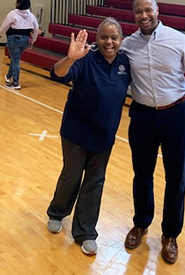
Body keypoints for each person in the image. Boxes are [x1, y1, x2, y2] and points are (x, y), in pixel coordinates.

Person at [121, 0, 185, 264]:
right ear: (134, 15)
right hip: (142, 117)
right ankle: (141, 224)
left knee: (176, 179)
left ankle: (170, 235)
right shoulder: (127, 45)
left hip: (175, 115)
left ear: (157, 10)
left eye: (148, 9)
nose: (143, 15)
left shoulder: (178, 40)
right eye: (138, 11)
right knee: (142, 175)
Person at [46, 18, 130, 256]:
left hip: (105, 133)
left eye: (114, 37)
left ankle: (85, 231)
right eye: (104, 37)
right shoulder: (85, 58)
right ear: (96, 38)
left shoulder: (125, 62)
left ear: (121, 40)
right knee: (71, 175)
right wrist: (71, 57)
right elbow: (57, 74)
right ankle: (57, 212)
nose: (109, 42)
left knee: (95, 181)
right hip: (77, 130)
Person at [0, 0, 39, 90]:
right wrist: (33, 41)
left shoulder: (13, 13)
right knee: (15, 58)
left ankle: (15, 82)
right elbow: (36, 29)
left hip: (14, 39)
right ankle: (8, 76)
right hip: (25, 41)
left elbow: (5, 24)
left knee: (15, 60)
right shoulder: (31, 16)